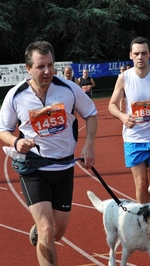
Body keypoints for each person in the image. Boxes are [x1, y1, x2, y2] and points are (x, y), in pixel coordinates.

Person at [0, 41, 98, 265]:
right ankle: (41, 228)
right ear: (28, 68)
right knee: (46, 228)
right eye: (41, 66)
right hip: (34, 168)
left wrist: (89, 144)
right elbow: (2, 130)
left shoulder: (68, 89)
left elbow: (91, 113)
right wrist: (16, 142)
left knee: (57, 233)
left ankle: (40, 228)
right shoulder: (16, 95)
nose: (47, 71)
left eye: (50, 65)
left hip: (64, 168)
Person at [108, 36, 150, 204]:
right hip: (134, 138)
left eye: (144, 53)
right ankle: (144, 224)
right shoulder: (124, 77)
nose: (140, 57)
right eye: (137, 53)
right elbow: (112, 104)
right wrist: (122, 116)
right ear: (131, 55)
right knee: (140, 184)